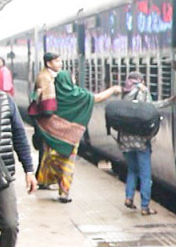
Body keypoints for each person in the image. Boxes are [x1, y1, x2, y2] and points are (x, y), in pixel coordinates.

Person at [29, 52, 121, 202]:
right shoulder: (78, 94)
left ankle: (46, 181)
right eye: (72, 78)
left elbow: (41, 109)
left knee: (50, 160)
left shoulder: (53, 93)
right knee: (67, 165)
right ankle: (64, 193)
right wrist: (113, 90)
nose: (74, 80)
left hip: (51, 137)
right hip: (69, 138)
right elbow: (97, 98)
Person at [0, 87, 37, 247]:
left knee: (10, 225)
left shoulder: (4, 100)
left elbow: (19, 135)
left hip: (2, 176)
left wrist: (29, 169)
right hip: (2, 173)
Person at [115, 72, 176, 215]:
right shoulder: (142, 90)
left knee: (132, 170)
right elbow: (150, 109)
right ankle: (145, 207)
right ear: (141, 80)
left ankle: (129, 197)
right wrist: (169, 101)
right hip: (141, 140)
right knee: (145, 174)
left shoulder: (125, 91)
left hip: (125, 140)